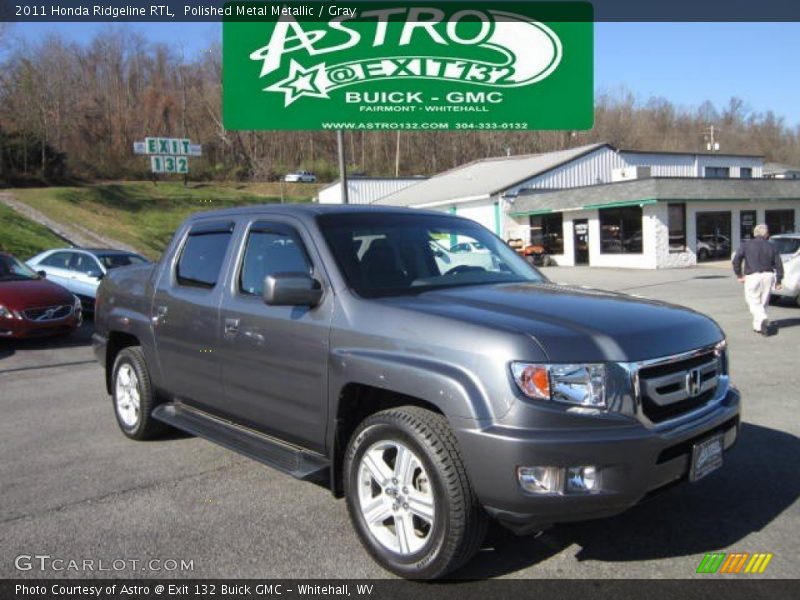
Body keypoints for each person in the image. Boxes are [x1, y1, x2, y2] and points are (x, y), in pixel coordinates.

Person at [732, 223, 784, 335]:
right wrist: (779, 279)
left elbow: (736, 259)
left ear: (755, 233)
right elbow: (778, 264)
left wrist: (739, 274)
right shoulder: (771, 246)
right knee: (763, 302)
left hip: (752, 276)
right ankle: (759, 327)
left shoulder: (746, 245)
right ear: (766, 234)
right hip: (768, 275)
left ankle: (762, 318)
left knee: (752, 301)